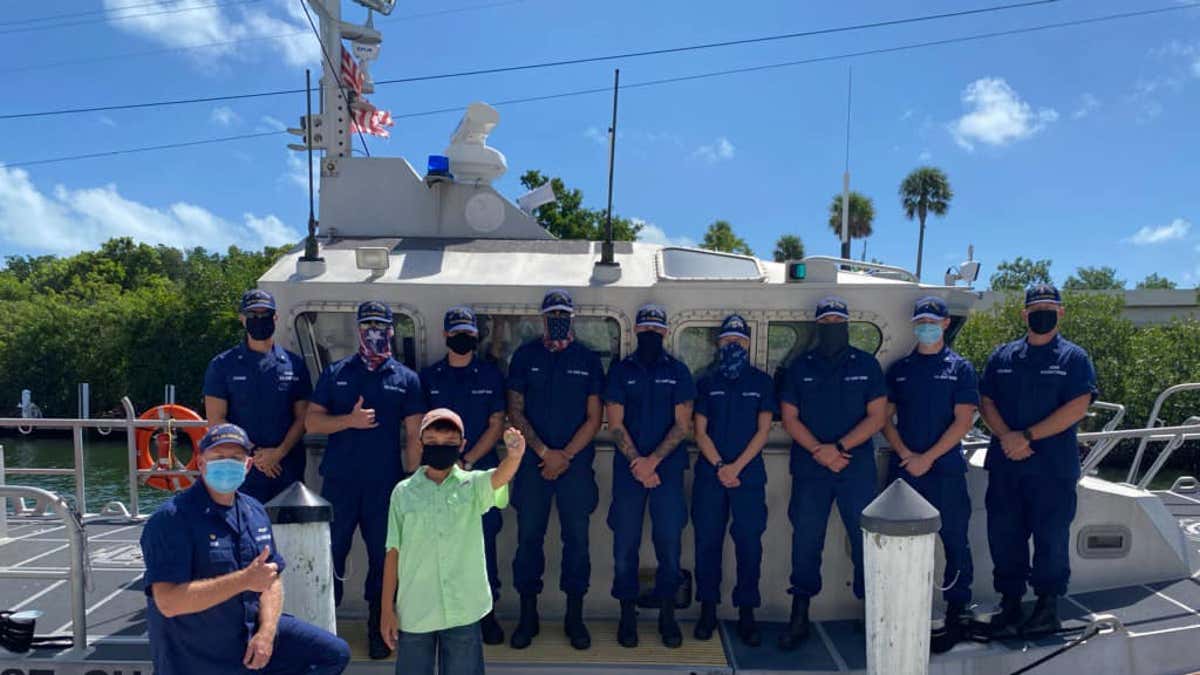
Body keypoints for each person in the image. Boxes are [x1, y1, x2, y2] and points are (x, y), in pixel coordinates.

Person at [140, 423, 351, 675]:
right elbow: (169, 602)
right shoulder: (172, 519)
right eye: (219, 457)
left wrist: (266, 633)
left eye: (236, 458)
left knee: (332, 654)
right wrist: (244, 580)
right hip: (197, 656)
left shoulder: (255, 512)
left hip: (248, 637)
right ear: (201, 463)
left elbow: (271, 579)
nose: (227, 464)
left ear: (248, 465)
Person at [306, 301, 425, 660]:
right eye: (368, 324)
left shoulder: (406, 379)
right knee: (331, 555)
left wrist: (414, 482)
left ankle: (378, 627)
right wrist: (349, 421)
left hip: (384, 487)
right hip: (340, 483)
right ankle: (324, 629)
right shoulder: (336, 373)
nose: (374, 331)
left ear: (392, 330)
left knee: (383, 559)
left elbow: (414, 435)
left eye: (381, 325)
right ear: (358, 329)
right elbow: (312, 423)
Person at [979, 284, 1097, 638]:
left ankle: (1047, 609)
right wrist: (1007, 438)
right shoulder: (1002, 356)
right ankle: (1010, 605)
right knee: (1004, 536)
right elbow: (986, 402)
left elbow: (1077, 406)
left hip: (1052, 468)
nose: (1042, 313)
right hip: (1006, 465)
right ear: (1024, 314)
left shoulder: (1074, 359)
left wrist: (1026, 437)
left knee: (1050, 538)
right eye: (1036, 307)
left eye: (1049, 307)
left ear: (1060, 313)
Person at [778, 296, 887, 650]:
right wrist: (819, 452)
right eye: (824, 323)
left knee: (863, 541)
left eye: (837, 322)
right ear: (817, 327)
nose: (831, 328)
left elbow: (877, 416)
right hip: (811, 469)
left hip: (854, 469)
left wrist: (838, 449)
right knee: (806, 541)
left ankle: (872, 612)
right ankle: (800, 614)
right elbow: (790, 417)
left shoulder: (867, 365)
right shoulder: (800, 367)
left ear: (847, 325)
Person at [380, 409, 524, 675]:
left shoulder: (472, 485)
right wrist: (386, 609)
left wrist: (514, 456)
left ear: (462, 446)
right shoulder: (402, 492)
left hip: (463, 608)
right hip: (415, 608)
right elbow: (392, 552)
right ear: (420, 444)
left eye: (449, 443)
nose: (440, 448)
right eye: (432, 442)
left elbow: (498, 478)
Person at [506, 288, 604, 650]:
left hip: (575, 469)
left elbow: (595, 418)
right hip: (533, 467)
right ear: (542, 318)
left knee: (576, 543)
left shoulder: (588, 359)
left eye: (564, 314)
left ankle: (574, 617)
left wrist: (564, 456)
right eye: (552, 315)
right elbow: (515, 410)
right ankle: (527, 616)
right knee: (528, 540)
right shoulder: (525, 356)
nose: (558, 320)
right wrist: (546, 453)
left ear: (572, 318)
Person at [881, 296, 978, 650]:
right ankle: (903, 605)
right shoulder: (900, 369)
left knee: (955, 539)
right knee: (901, 544)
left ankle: (958, 607)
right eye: (920, 320)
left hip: (945, 469)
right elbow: (885, 419)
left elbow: (963, 420)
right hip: (906, 469)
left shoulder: (960, 368)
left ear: (945, 324)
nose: (926, 326)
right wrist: (908, 454)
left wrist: (929, 457)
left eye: (932, 321)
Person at [604, 304, 696, 649]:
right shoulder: (621, 371)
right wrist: (639, 464)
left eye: (656, 331)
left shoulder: (679, 371)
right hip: (630, 473)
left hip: (667, 472)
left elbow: (683, 424)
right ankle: (627, 615)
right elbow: (614, 424)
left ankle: (668, 615)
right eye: (645, 330)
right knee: (624, 547)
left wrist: (652, 462)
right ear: (636, 332)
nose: (651, 336)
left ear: (665, 333)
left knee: (669, 546)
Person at [420, 306, 508, 645]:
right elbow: (419, 427)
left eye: (469, 333)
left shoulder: (489, 375)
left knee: (483, 548)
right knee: (436, 547)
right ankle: (439, 615)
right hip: (435, 477)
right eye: (457, 332)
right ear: (445, 335)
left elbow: (496, 424)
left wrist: (466, 462)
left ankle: (487, 613)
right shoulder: (430, 377)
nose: (463, 338)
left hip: (478, 474)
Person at [691, 314, 777, 647]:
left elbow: (763, 430)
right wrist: (720, 466)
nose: (733, 346)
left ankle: (746, 612)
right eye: (727, 341)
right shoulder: (706, 382)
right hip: (712, 475)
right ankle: (707, 610)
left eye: (739, 341)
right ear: (719, 344)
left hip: (748, 476)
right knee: (707, 544)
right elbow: (700, 432)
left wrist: (736, 467)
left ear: (748, 343)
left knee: (749, 545)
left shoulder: (761, 382)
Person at [204, 289, 312, 505]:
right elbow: (216, 419)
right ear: (243, 319)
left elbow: (303, 417)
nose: (259, 320)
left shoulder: (295, 364)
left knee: (288, 535)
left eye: (265, 315)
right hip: (241, 467)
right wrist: (258, 455)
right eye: (253, 315)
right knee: (244, 531)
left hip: (287, 466)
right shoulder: (222, 365)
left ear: (275, 318)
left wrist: (278, 453)